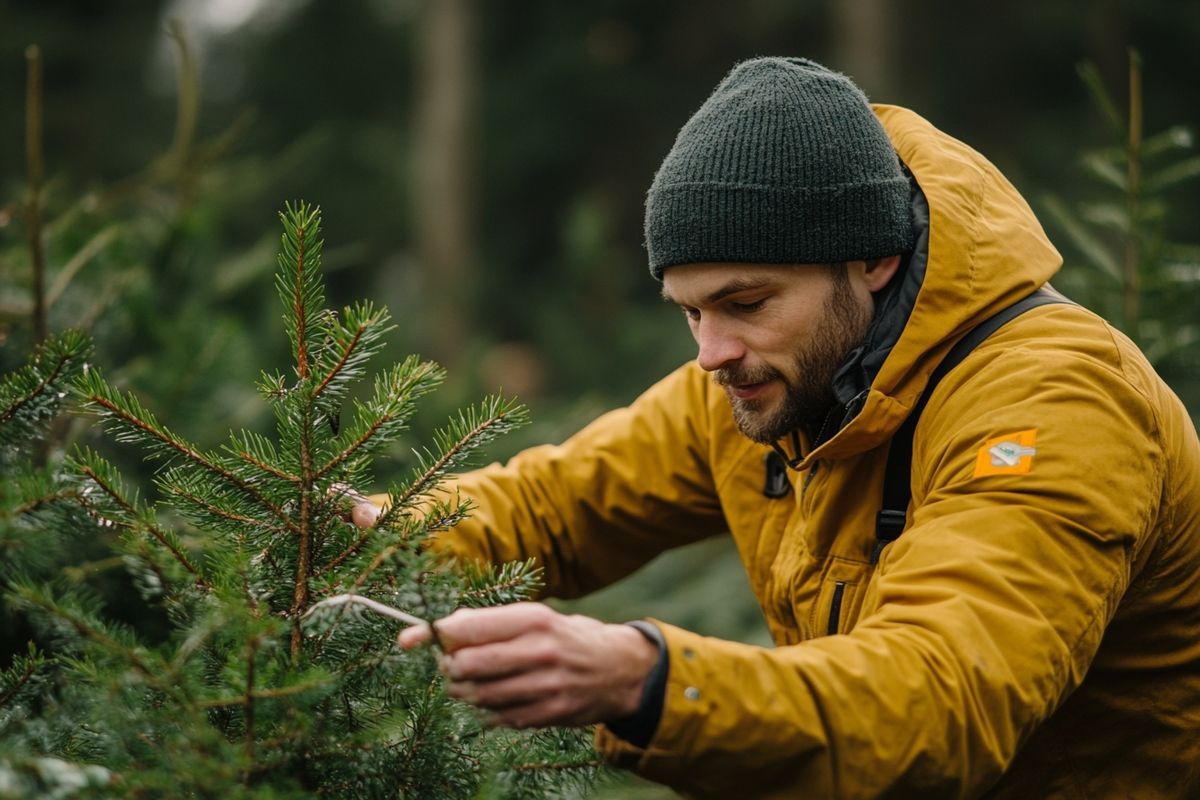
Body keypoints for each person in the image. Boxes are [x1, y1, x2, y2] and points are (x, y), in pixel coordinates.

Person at [363, 57, 1200, 798]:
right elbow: (556, 507)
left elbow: (942, 704)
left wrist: (649, 682)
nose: (712, 354)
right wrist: (364, 533)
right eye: (689, 311)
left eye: (746, 302)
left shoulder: (1056, 400)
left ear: (874, 259)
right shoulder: (764, 376)